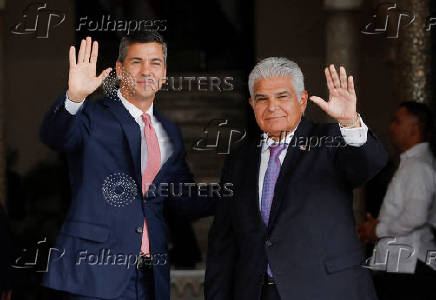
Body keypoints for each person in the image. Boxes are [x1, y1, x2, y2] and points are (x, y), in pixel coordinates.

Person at [40, 32, 214, 300]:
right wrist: (74, 98)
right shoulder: (91, 116)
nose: (146, 70)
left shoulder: (168, 131)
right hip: (94, 275)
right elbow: (54, 137)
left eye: (155, 63)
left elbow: (184, 200)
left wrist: (242, 189)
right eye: (136, 62)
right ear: (120, 70)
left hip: (148, 277)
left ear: (164, 73)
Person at [205, 57, 387, 300]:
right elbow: (223, 243)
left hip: (327, 291)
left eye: (282, 97)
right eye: (262, 99)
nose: (272, 107)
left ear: (302, 101)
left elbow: (369, 165)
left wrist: (349, 122)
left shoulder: (330, 141)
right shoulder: (239, 160)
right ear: (251, 104)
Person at [358, 102, 436, 300]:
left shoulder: (418, 166)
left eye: (397, 121)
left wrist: (378, 230)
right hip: (403, 264)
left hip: (409, 265)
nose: (391, 127)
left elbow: (416, 216)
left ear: (414, 128)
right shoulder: (413, 163)